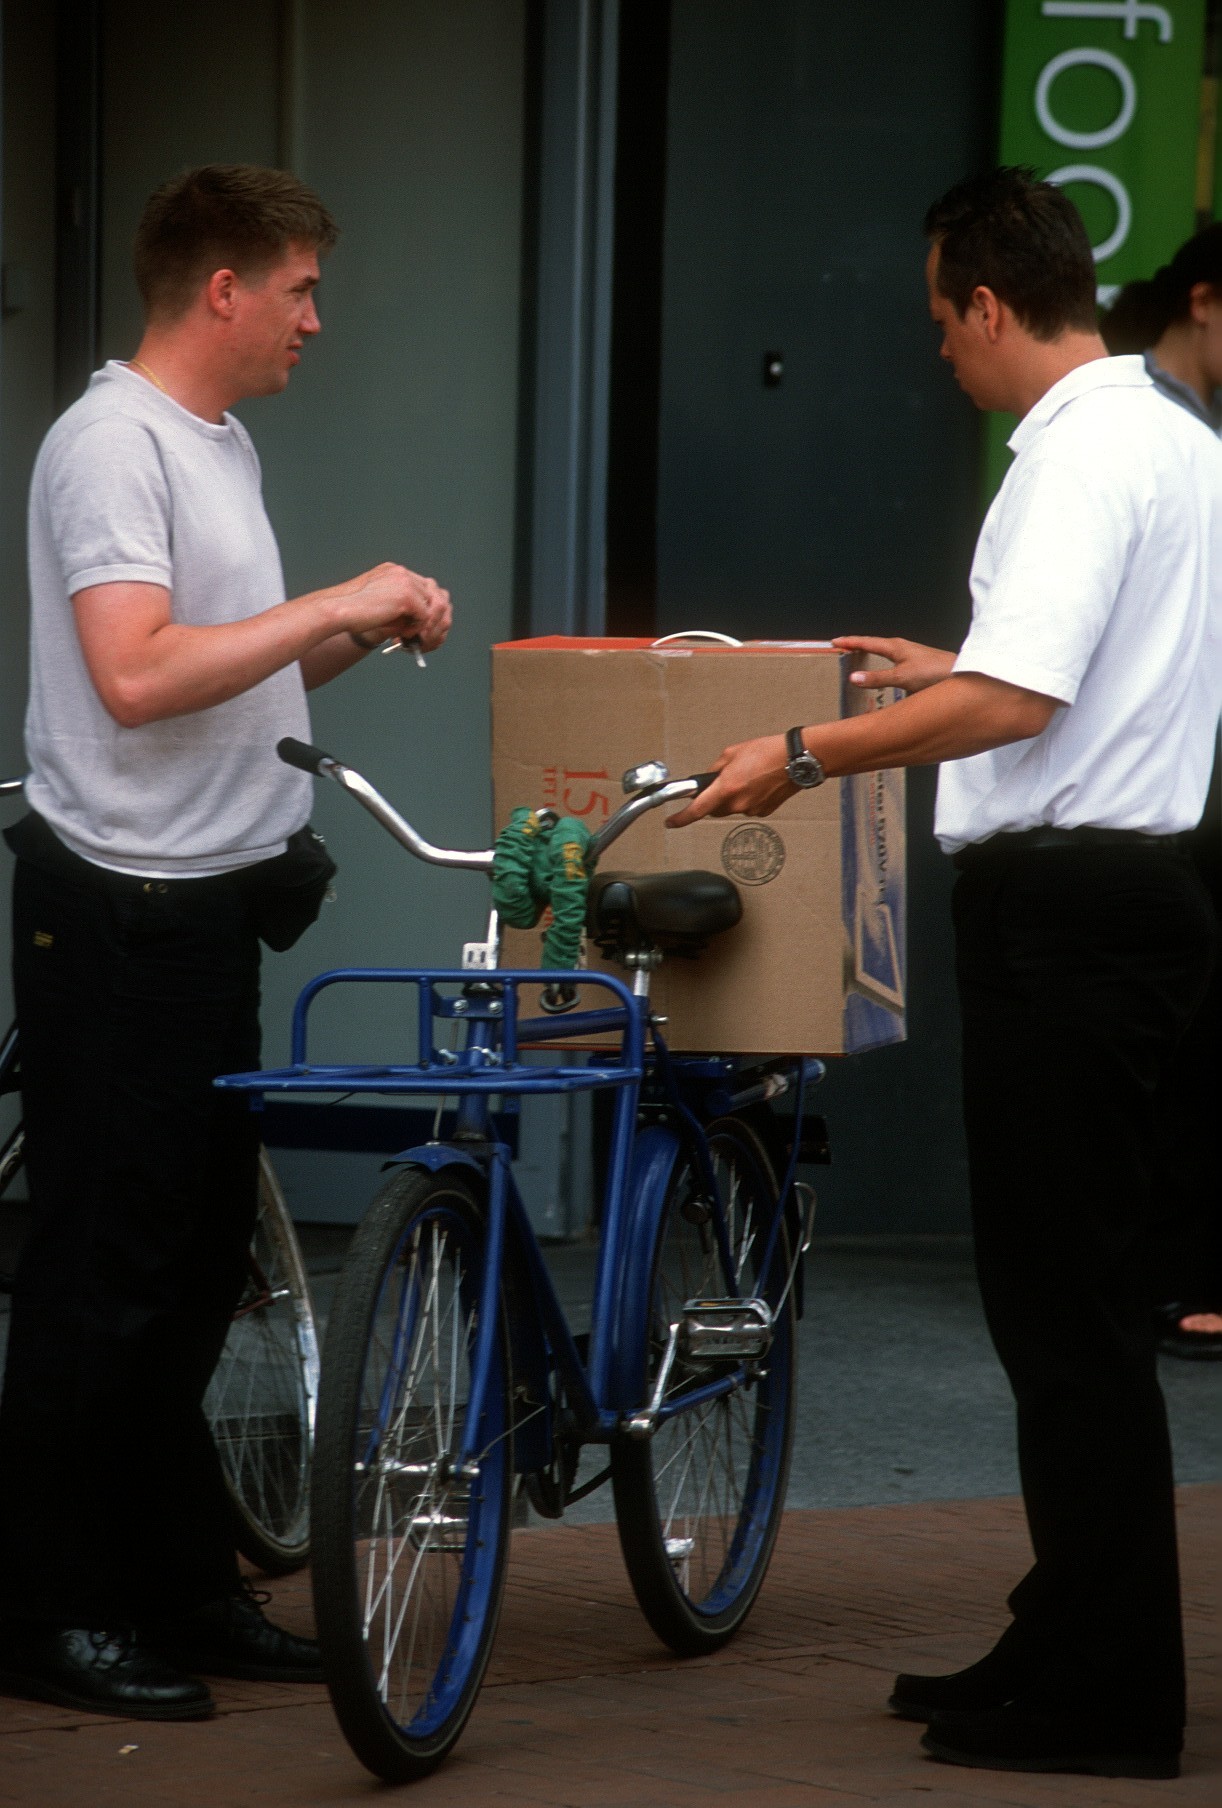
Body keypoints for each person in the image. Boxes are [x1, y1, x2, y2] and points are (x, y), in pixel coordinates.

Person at [669, 167, 1222, 1780]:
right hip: (1128, 899)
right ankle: (1067, 1631)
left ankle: (1108, 1697)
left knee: (1064, 1320)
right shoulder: (1168, 436)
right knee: (1073, 1306)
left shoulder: (1073, 453)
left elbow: (1021, 704)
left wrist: (798, 750)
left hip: (1071, 916)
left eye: (937, 320)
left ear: (988, 303)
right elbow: (1072, 678)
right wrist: (948, 670)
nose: (936, 351)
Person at [0, 165, 452, 1722]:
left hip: (201, 911)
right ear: (223, 290)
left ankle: (173, 1582)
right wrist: (332, 598)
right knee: (102, 1273)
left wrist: (349, 630)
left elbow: (216, 665)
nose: (315, 320)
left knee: (192, 1270)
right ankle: (47, 1608)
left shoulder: (216, 442)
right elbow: (133, 675)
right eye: (301, 290)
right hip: (121, 913)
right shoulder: (110, 444)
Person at [1103, 232, 1222, 1359]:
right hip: (1171, 787)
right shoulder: (1137, 423)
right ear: (1204, 301)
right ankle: (1180, 1265)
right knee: (1185, 1033)